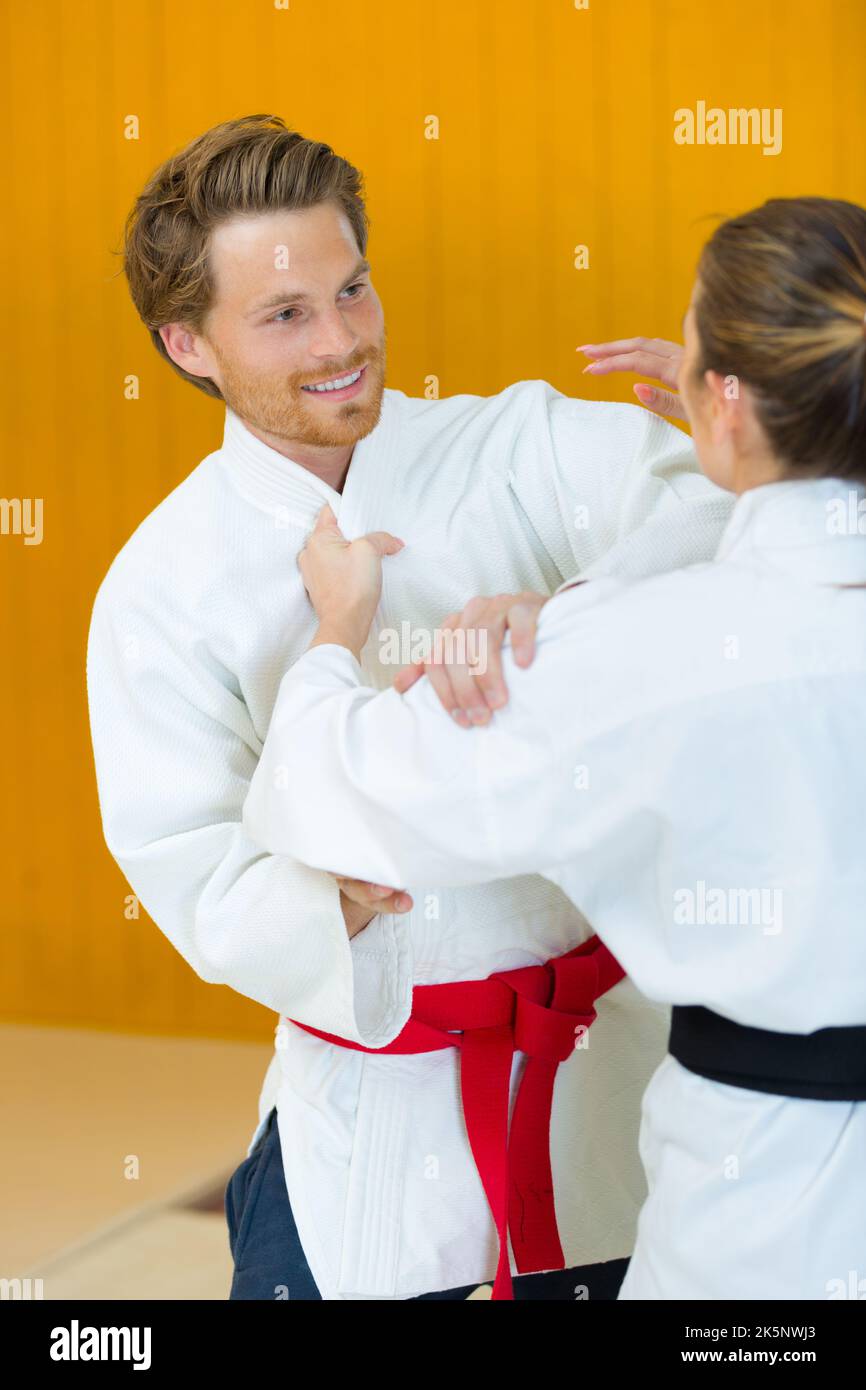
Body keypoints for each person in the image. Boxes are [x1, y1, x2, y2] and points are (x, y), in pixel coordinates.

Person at [85, 114, 734, 1301]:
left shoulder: (514, 445)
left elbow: (719, 533)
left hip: (600, 1085)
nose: (342, 342)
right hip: (364, 1124)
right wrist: (328, 899)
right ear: (186, 342)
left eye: (353, 290)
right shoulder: (162, 584)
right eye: (285, 316)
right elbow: (186, 854)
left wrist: (562, 613)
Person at [241, 195, 866, 1300]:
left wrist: (338, 632)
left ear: (722, 404)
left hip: (763, 1222)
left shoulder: (633, 655)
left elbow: (328, 791)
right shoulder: (648, 623)